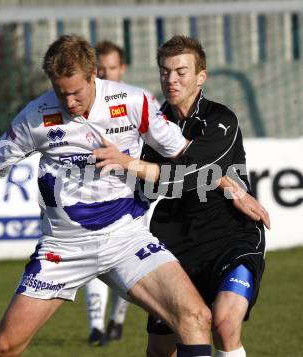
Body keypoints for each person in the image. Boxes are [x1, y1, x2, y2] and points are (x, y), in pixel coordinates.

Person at [0, 35, 213, 357]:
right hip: (64, 246)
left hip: (126, 238)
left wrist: (227, 187)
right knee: (4, 347)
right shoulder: (37, 115)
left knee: (194, 317)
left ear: (94, 76)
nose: (70, 102)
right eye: (62, 93)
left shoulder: (134, 102)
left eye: (76, 92)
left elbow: (186, 157)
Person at [92, 35, 270, 357]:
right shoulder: (149, 125)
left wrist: (135, 164)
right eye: (165, 71)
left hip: (230, 232)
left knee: (225, 325)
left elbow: (191, 169)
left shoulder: (221, 120)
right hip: (174, 238)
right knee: (162, 349)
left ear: (201, 76)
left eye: (181, 71)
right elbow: (149, 187)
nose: (171, 79)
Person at [84, 40, 161, 346]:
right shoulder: (81, 105)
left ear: (122, 69)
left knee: (130, 264)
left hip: (132, 198)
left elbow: (159, 143)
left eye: (111, 68)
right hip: (92, 197)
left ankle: (116, 321)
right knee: (92, 261)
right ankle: (95, 327)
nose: (105, 73)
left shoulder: (137, 100)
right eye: (100, 68)